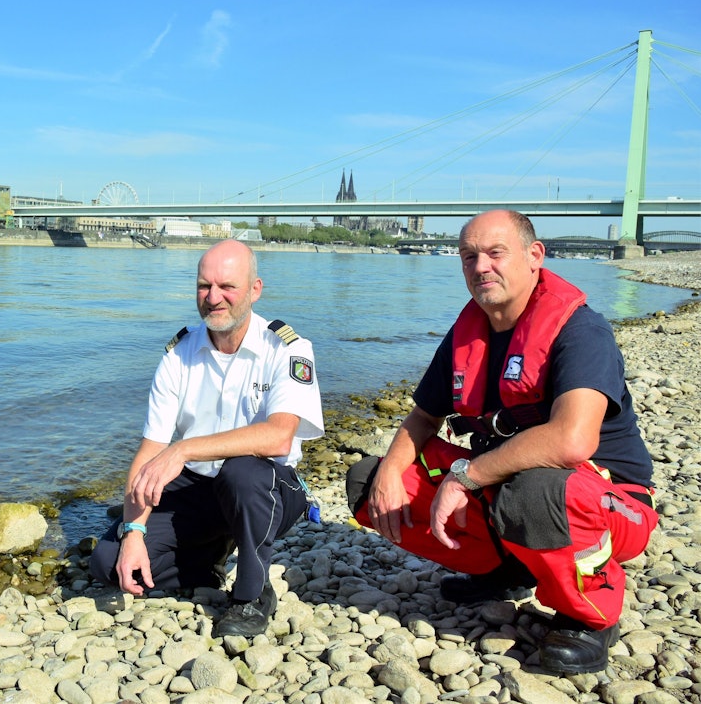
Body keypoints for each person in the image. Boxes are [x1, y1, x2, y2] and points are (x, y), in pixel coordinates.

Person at [345, 210, 657, 675]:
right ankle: (507, 568)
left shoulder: (581, 331)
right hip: (505, 487)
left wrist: (463, 476)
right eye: (469, 256)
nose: (480, 267)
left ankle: (590, 616)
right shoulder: (469, 331)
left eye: (495, 253)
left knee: (535, 490)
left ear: (535, 257)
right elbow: (424, 416)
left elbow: (572, 441)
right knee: (367, 480)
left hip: (613, 505)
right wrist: (390, 474)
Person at [89, 239, 324, 637]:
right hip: (199, 488)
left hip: (266, 488)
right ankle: (206, 559)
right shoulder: (178, 353)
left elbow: (278, 438)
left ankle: (253, 594)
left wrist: (183, 449)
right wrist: (133, 533)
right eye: (204, 286)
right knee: (109, 562)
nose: (213, 298)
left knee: (242, 473)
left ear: (254, 289)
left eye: (227, 287)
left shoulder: (288, 348)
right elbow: (150, 450)